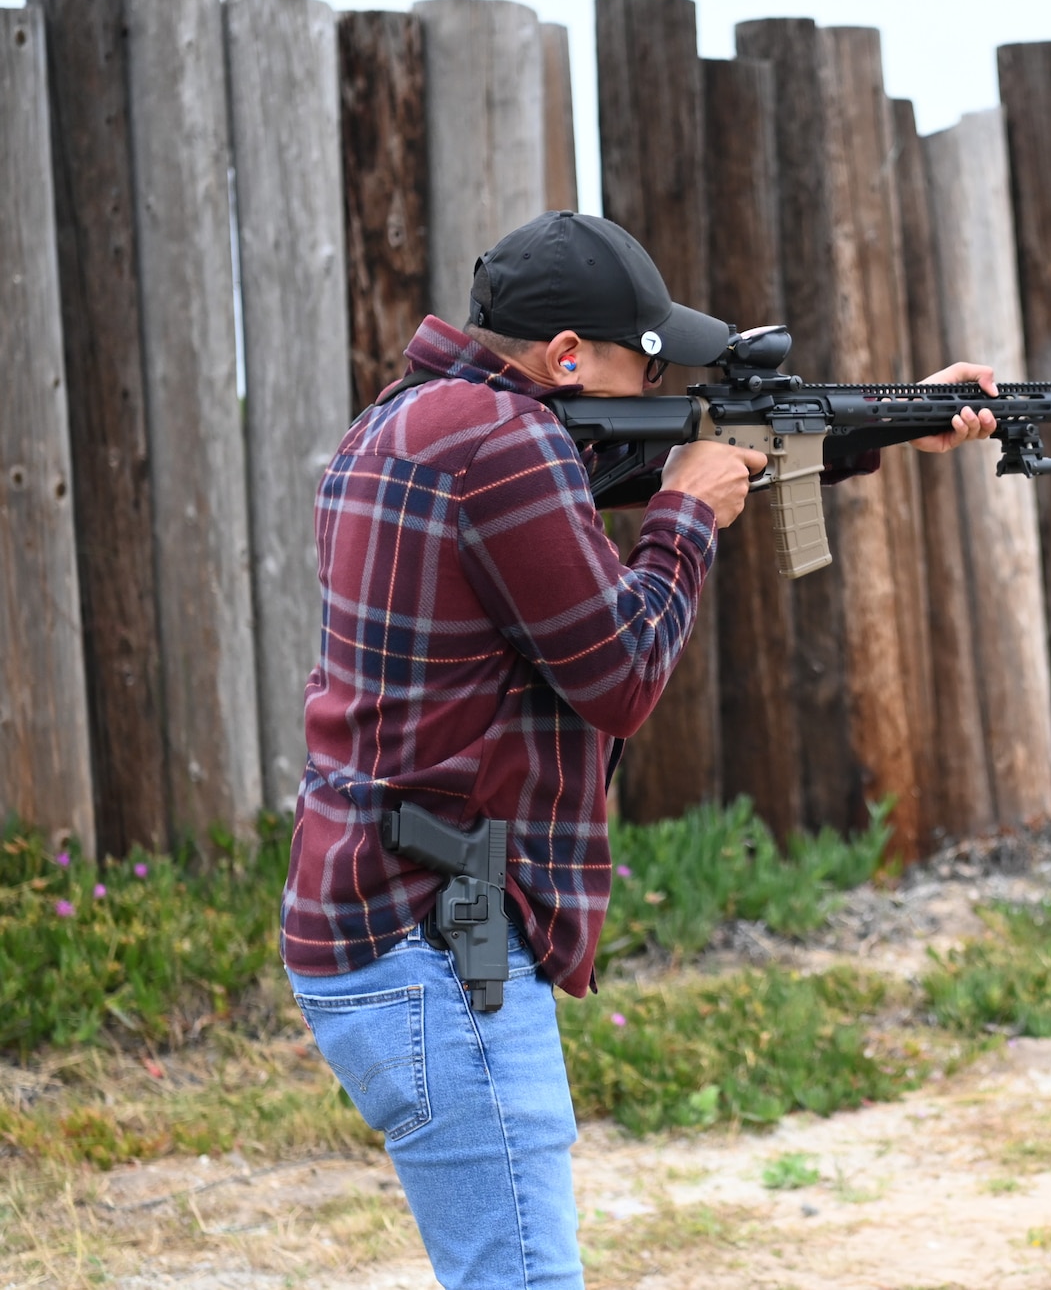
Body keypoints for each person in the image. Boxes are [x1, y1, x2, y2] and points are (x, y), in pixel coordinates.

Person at [280, 210, 997, 1289]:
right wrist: (683, 516)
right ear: (566, 357)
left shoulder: (410, 421)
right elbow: (620, 675)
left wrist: (891, 421)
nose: (650, 386)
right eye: (641, 361)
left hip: (378, 907)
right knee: (523, 1276)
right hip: (442, 932)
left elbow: (621, 474)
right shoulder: (507, 445)